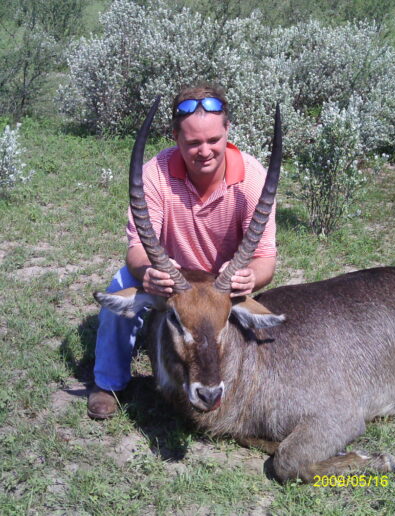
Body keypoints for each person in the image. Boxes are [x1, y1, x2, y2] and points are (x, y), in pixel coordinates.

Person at [88, 84, 277, 419]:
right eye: (192, 142)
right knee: (120, 285)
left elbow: (265, 260)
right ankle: (109, 382)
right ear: (176, 136)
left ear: (227, 132)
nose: (204, 151)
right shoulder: (155, 174)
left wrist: (250, 277)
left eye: (213, 140)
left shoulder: (253, 179)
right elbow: (136, 249)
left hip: (221, 286)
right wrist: (150, 273)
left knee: (257, 323)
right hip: (174, 281)